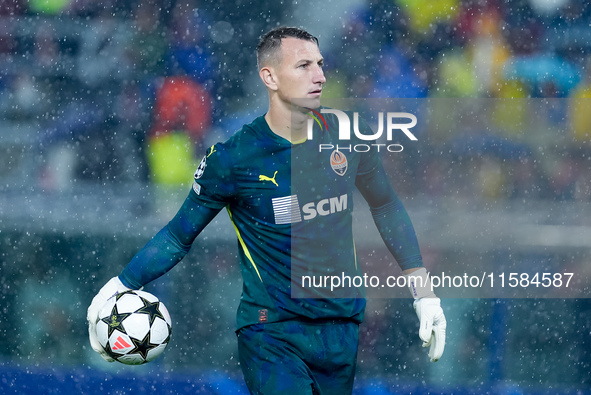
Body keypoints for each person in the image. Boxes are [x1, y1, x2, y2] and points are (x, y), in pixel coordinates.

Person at [87, 26, 446, 394]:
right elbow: (179, 235)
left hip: (342, 328)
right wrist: (122, 283)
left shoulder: (350, 134)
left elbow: (385, 205)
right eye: (304, 65)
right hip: (272, 330)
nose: (320, 75)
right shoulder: (233, 158)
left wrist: (423, 290)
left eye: (320, 64)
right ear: (269, 76)